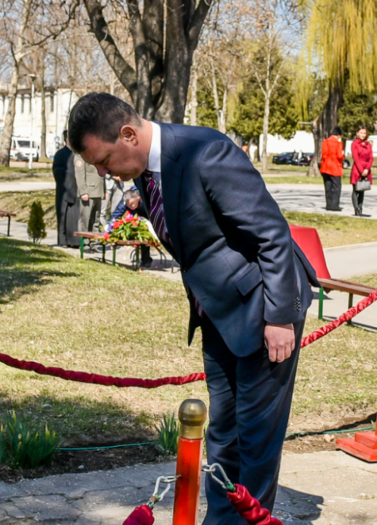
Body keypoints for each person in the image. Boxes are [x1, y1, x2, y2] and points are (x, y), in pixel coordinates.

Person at [67, 93, 318, 525]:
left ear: (128, 135)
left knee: (257, 440)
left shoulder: (207, 152)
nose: (103, 173)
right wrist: (142, 205)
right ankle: (221, 519)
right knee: (223, 434)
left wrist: (279, 317)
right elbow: (194, 220)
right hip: (218, 313)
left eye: (104, 160)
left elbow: (273, 234)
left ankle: (251, 520)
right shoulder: (148, 172)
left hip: (263, 308)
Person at [109, 187, 152, 268]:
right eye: (128, 205)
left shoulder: (146, 197)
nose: (130, 206)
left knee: (145, 233)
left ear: (139, 198)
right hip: (135, 217)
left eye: (132, 204)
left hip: (149, 214)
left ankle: (146, 259)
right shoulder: (126, 199)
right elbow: (115, 215)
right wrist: (109, 231)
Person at [52, 130, 81, 247]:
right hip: (64, 190)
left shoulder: (77, 154)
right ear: (67, 140)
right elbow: (57, 171)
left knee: (74, 216)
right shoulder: (60, 154)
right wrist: (69, 178)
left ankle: (74, 241)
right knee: (63, 215)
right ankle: (63, 240)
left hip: (76, 189)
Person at [75, 153, 105, 233]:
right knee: (85, 220)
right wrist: (83, 191)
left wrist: (104, 191)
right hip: (88, 191)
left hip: (98, 191)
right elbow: (80, 174)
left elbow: (102, 173)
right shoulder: (81, 154)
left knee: (96, 220)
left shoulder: (99, 153)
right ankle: (84, 242)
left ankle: (93, 241)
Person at [320, 126, 345, 211]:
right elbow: (339, 156)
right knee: (336, 187)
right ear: (338, 135)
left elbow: (323, 154)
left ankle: (329, 205)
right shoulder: (338, 144)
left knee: (328, 186)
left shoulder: (325, 142)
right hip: (335, 168)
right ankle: (335, 205)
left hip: (325, 167)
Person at [350, 126, 373, 216]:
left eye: (364, 133)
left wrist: (367, 169)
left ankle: (361, 208)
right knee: (356, 190)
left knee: (362, 190)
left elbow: (371, 158)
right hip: (357, 169)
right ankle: (356, 209)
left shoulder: (368, 145)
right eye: (361, 133)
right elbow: (356, 158)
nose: (363, 135)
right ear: (357, 133)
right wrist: (361, 170)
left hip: (366, 169)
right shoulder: (354, 144)